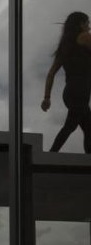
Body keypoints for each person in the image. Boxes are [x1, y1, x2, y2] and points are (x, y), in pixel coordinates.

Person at [41, 11, 91, 154]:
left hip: (70, 93)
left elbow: (51, 74)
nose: (89, 27)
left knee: (88, 129)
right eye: (88, 23)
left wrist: (47, 98)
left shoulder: (65, 46)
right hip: (80, 92)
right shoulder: (84, 37)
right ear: (81, 24)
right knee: (70, 126)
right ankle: (51, 154)